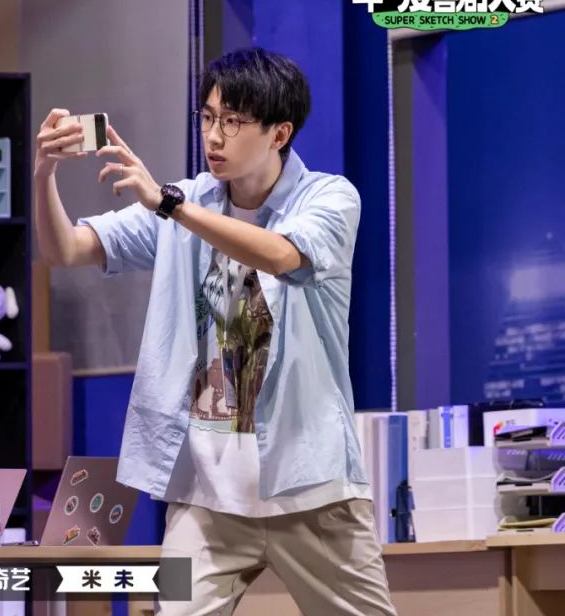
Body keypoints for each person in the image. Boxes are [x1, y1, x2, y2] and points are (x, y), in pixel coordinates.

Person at [33, 47, 397, 615]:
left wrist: (169, 205)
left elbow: (281, 255)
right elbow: (67, 249)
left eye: (233, 121)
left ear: (280, 133)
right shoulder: (187, 201)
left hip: (309, 489)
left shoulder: (328, 196)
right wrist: (44, 174)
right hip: (208, 498)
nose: (213, 136)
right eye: (207, 117)